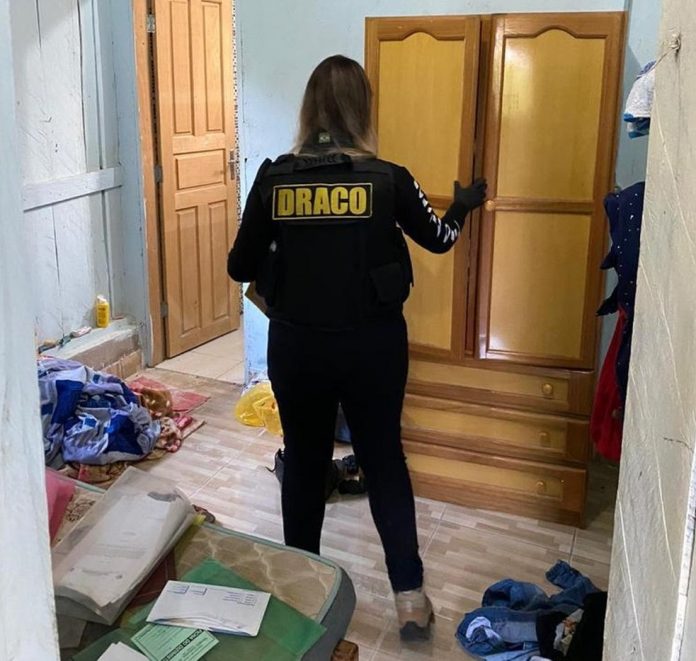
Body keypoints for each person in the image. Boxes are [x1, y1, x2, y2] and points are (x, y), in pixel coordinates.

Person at [227, 55, 486, 640]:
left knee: (305, 463)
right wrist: (462, 206)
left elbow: (239, 266)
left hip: (298, 348)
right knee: (384, 460)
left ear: (308, 110)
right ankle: (410, 601)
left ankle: (302, 595)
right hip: (374, 348)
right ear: (363, 110)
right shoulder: (388, 178)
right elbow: (440, 239)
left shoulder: (273, 180)